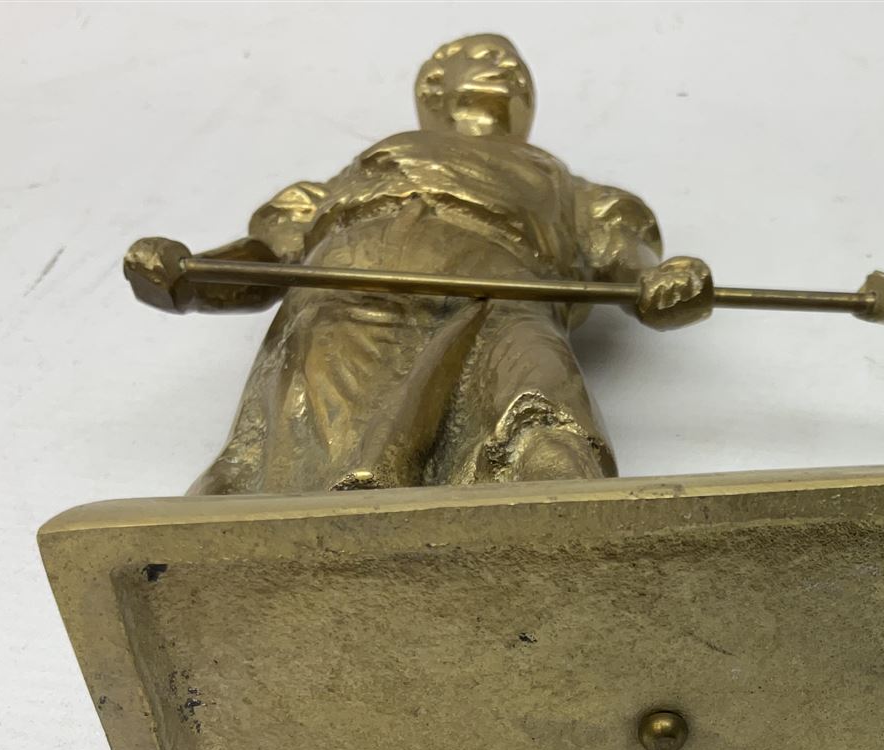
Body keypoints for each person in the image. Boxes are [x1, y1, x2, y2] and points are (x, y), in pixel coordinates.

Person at [123, 33, 712, 494]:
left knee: (541, 417)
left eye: (517, 68)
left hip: (502, 299)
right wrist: (189, 277)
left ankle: (563, 536)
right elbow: (269, 254)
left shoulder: (569, 187)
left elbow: (623, 254)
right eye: (481, 56)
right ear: (433, 87)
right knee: (312, 454)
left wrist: (661, 282)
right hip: (346, 298)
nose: (506, 66)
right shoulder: (364, 170)